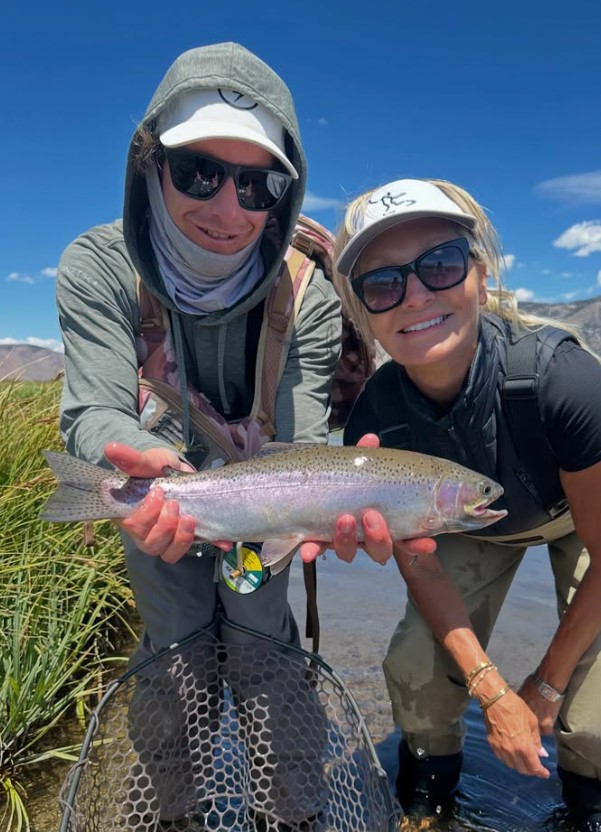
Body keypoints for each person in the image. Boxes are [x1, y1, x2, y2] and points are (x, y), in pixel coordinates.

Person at [56, 41, 353, 832]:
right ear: (150, 166)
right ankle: (174, 817)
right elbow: (92, 411)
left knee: (261, 643)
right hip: (156, 507)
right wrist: (132, 461)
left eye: (257, 183)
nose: (228, 209)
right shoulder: (99, 265)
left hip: (260, 523)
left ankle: (285, 815)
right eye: (198, 173)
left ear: (281, 194)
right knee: (172, 656)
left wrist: (339, 501)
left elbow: (301, 445)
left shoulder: (308, 298)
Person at [327, 177, 601, 832]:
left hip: (577, 520)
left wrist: (541, 686)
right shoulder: (375, 420)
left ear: (478, 272)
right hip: (469, 521)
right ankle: (427, 804)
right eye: (383, 283)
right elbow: (421, 568)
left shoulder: (563, 381)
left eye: (440, 263)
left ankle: (584, 804)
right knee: (415, 671)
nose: (416, 294)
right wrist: (490, 689)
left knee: (592, 711)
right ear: (363, 310)